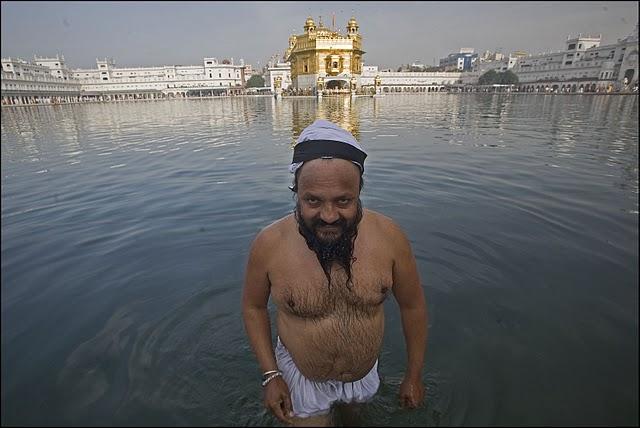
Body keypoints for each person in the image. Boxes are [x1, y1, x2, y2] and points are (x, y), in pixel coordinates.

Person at [242, 119, 428, 426]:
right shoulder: (269, 244)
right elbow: (253, 307)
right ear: (296, 192)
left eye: (343, 201)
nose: (328, 216)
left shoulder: (390, 238)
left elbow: (413, 306)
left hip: (362, 376)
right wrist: (271, 376)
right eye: (313, 201)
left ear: (359, 192)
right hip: (302, 377)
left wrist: (414, 375)